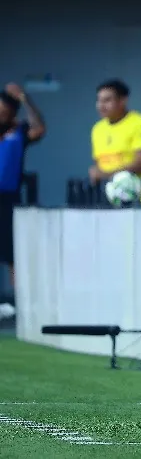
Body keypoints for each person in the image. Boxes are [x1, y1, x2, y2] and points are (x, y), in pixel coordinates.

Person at [0, 83, 46, 321]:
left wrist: (25, 98)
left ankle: (20, 307)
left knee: (12, 254)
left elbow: (40, 128)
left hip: (8, 200)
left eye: (5, 112)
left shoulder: (19, 133)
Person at [89, 79, 141, 183]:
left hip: (137, 195)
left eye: (107, 100)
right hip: (108, 195)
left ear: (123, 101)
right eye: (99, 100)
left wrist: (106, 175)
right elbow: (100, 163)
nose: (101, 106)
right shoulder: (97, 129)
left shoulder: (139, 123)